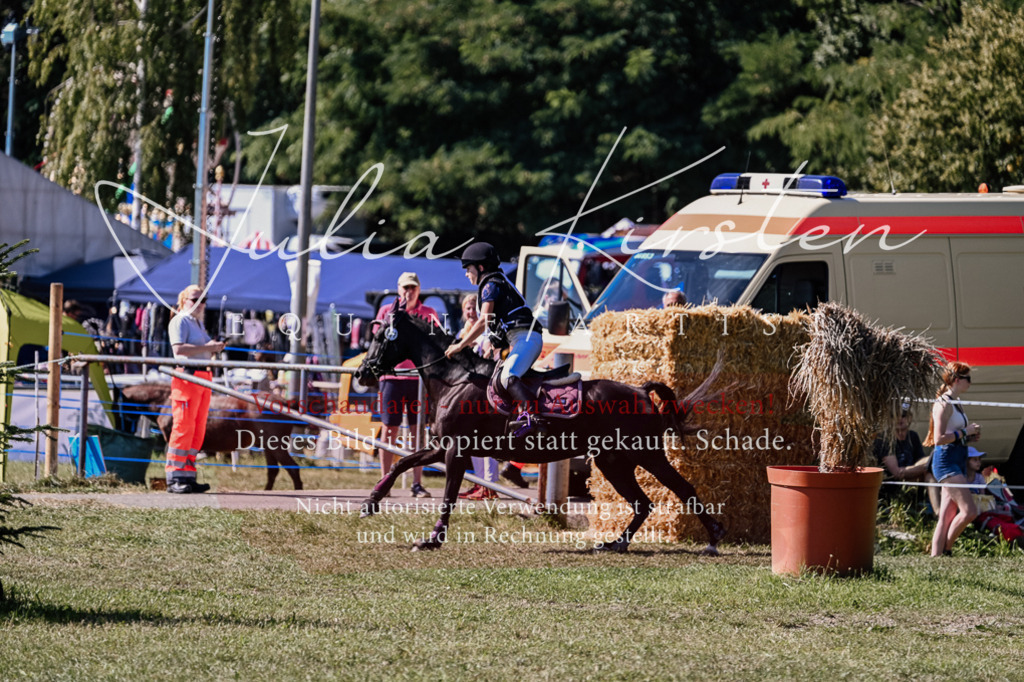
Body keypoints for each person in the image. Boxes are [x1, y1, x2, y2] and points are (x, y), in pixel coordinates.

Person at [446, 242, 544, 437]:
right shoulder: (496, 282)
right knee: (497, 377)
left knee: (508, 376)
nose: (467, 274)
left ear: (481, 268)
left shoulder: (490, 285)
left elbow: (483, 321)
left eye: (468, 269)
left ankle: (534, 419)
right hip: (520, 339)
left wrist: (460, 345)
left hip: (526, 339)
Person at [374, 272, 440, 498]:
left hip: (418, 381)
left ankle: (417, 483)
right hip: (391, 378)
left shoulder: (428, 313)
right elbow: (378, 341)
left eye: (412, 288)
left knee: (417, 433)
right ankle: (385, 481)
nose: (408, 292)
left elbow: (435, 341)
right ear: (398, 288)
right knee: (389, 430)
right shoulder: (387, 311)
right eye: (405, 288)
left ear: (418, 290)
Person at [166, 285, 224, 493]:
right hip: (187, 377)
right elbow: (179, 349)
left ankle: (187, 476)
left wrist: (213, 347)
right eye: (194, 299)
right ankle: (174, 477)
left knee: (197, 429)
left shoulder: (197, 322)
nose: (200, 304)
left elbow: (200, 349)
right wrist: (209, 347)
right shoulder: (180, 320)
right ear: (183, 300)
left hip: (202, 377)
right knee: (183, 427)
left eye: (203, 299)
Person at [924, 361, 982, 556]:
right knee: (969, 511)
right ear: (957, 380)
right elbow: (939, 438)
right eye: (968, 379)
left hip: (958, 456)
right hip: (946, 459)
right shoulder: (944, 404)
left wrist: (969, 436)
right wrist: (964, 432)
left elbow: (954, 432)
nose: (970, 383)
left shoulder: (956, 402)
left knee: (947, 515)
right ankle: (947, 549)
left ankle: (936, 556)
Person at [872, 404, 935, 508]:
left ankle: (937, 512)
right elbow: (896, 473)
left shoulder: (912, 436)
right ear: (889, 419)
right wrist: (930, 463)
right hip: (892, 484)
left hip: (912, 477)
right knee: (934, 464)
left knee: (931, 474)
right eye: (894, 415)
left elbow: (920, 460)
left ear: (910, 417)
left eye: (903, 415)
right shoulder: (884, 439)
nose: (899, 418)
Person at [966, 450, 1023, 546]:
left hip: (980, 507)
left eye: (979, 460)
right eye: (975, 460)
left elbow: (983, 496)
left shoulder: (979, 477)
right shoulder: (961, 478)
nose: (979, 462)